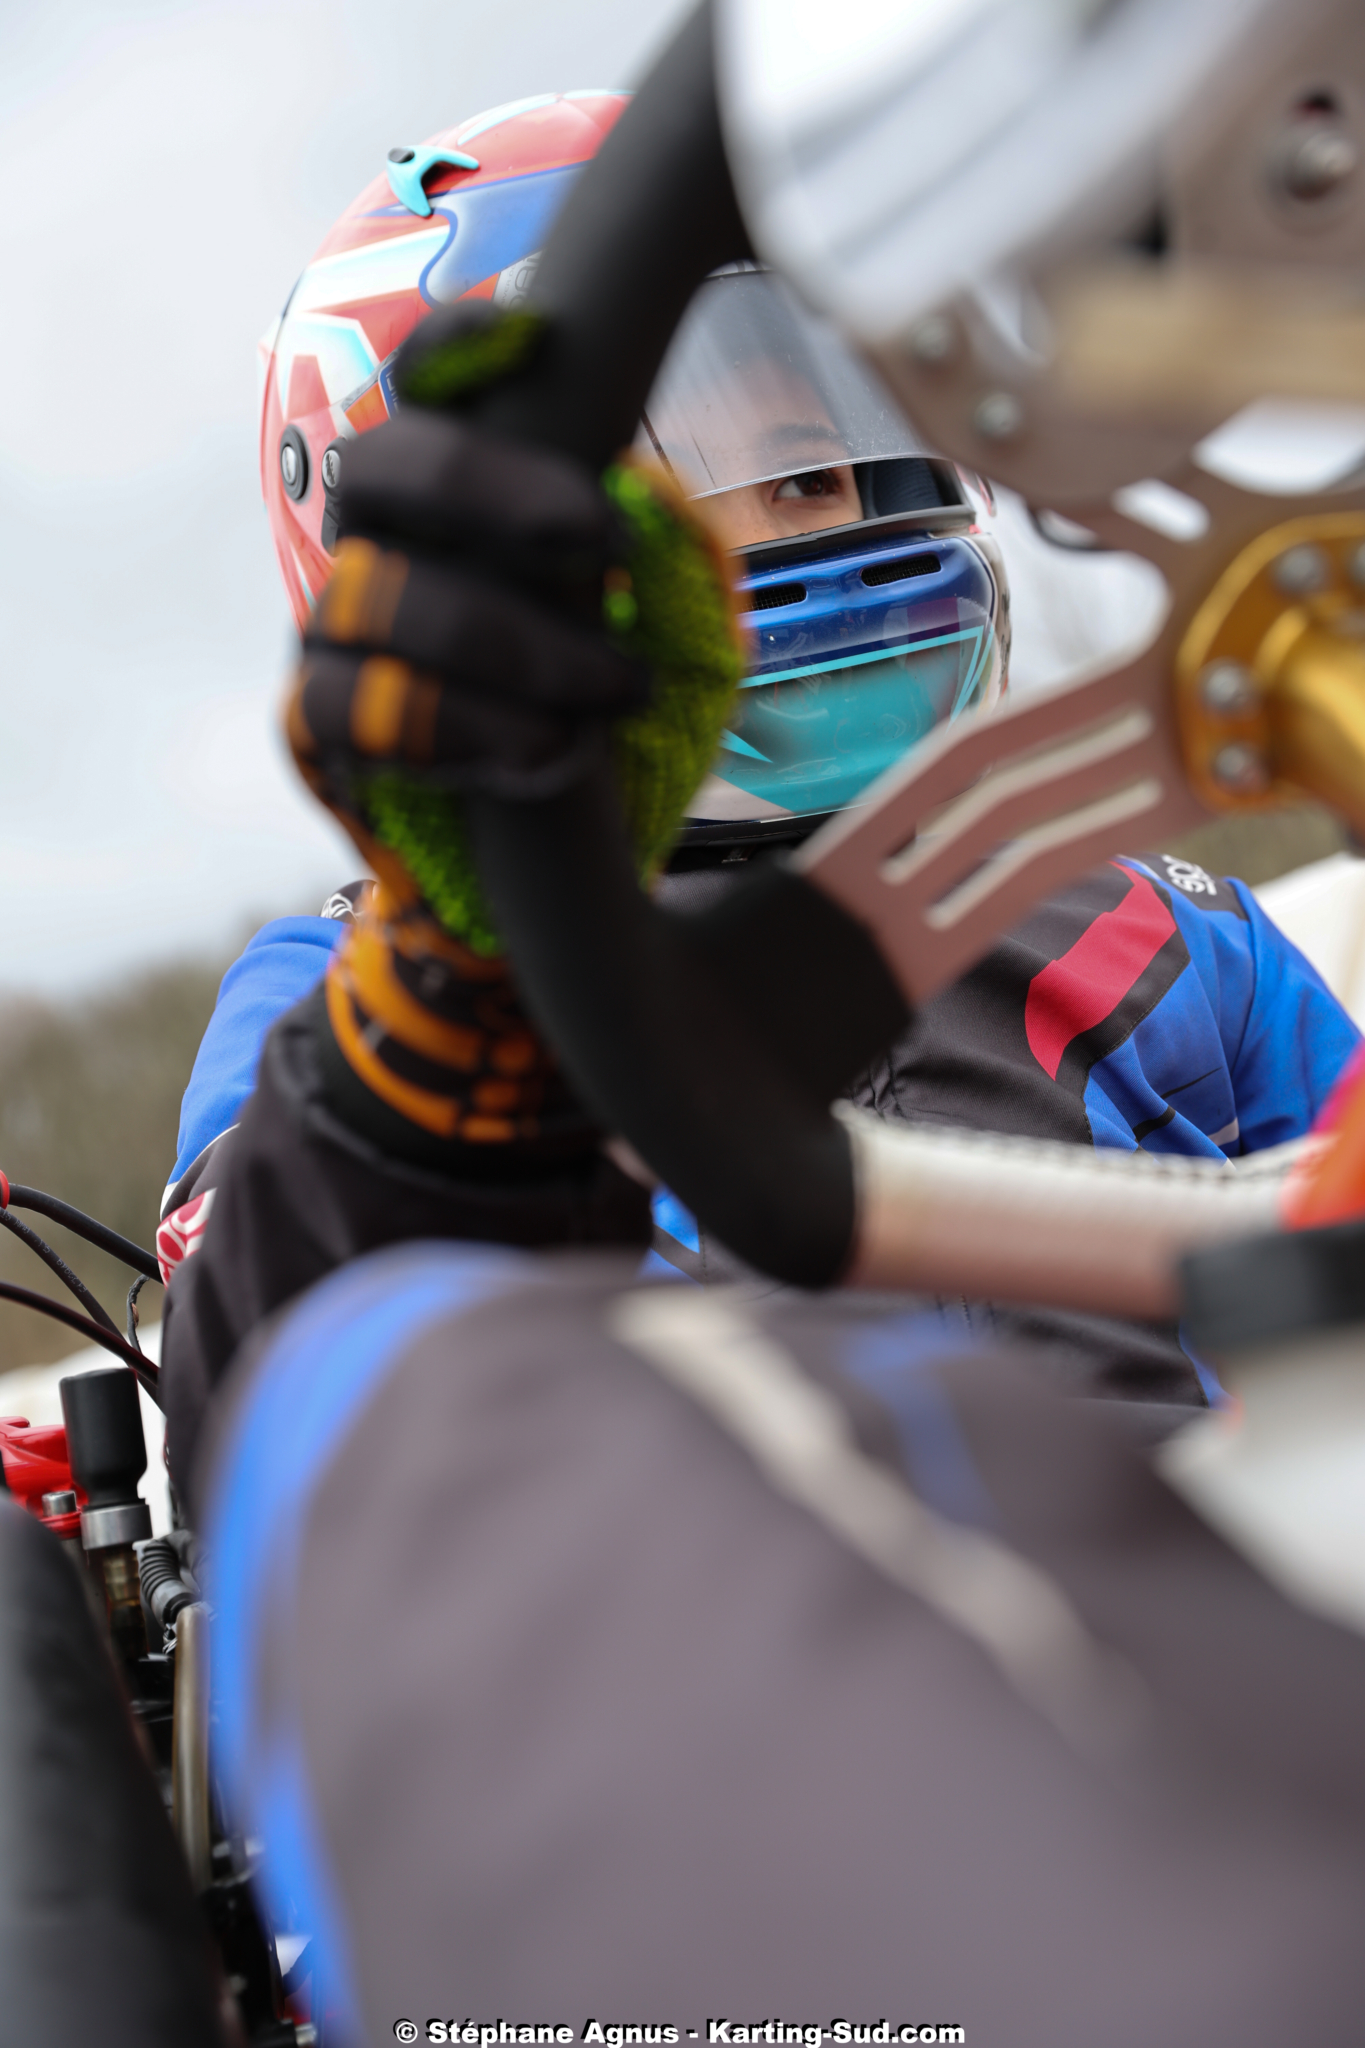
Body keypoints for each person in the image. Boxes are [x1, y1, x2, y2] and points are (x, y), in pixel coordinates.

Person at [157, 91, 1357, 1492]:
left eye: (808, 474)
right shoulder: (336, 1002)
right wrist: (452, 990)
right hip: (713, 1604)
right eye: (662, 499)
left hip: (1213, 1576)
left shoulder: (1172, 933)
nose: (782, 552)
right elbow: (266, 1397)